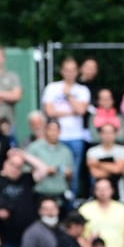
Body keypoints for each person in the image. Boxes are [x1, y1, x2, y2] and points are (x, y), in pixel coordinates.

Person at [42, 57, 89, 196]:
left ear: (77, 72)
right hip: (56, 137)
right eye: (67, 70)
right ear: (62, 71)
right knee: (53, 170)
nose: (70, 73)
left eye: (73, 70)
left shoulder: (82, 89)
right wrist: (72, 110)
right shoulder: (52, 87)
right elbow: (50, 112)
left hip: (76, 137)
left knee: (73, 173)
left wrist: (68, 96)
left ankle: (71, 203)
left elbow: (81, 111)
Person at [78, 178, 124, 247]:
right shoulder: (84, 209)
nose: (102, 192)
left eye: (105, 189)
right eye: (99, 189)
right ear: (94, 191)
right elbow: (78, 235)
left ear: (112, 190)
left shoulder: (123, 209)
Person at [26, 119, 74, 209]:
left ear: (60, 132)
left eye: (56, 130)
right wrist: (45, 171)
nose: (53, 133)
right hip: (39, 194)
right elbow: (25, 171)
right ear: (45, 130)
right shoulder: (34, 147)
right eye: (51, 129)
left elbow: (71, 176)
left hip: (60, 195)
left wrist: (68, 173)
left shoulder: (66, 151)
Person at [86, 121, 124, 201]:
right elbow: (96, 174)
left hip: (120, 194)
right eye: (105, 132)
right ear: (100, 134)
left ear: (116, 134)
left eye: (110, 132)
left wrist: (97, 163)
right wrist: (115, 169)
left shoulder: (123, 150)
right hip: (98, 194)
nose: (108, 135)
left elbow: (117, 169)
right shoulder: (92, 151)